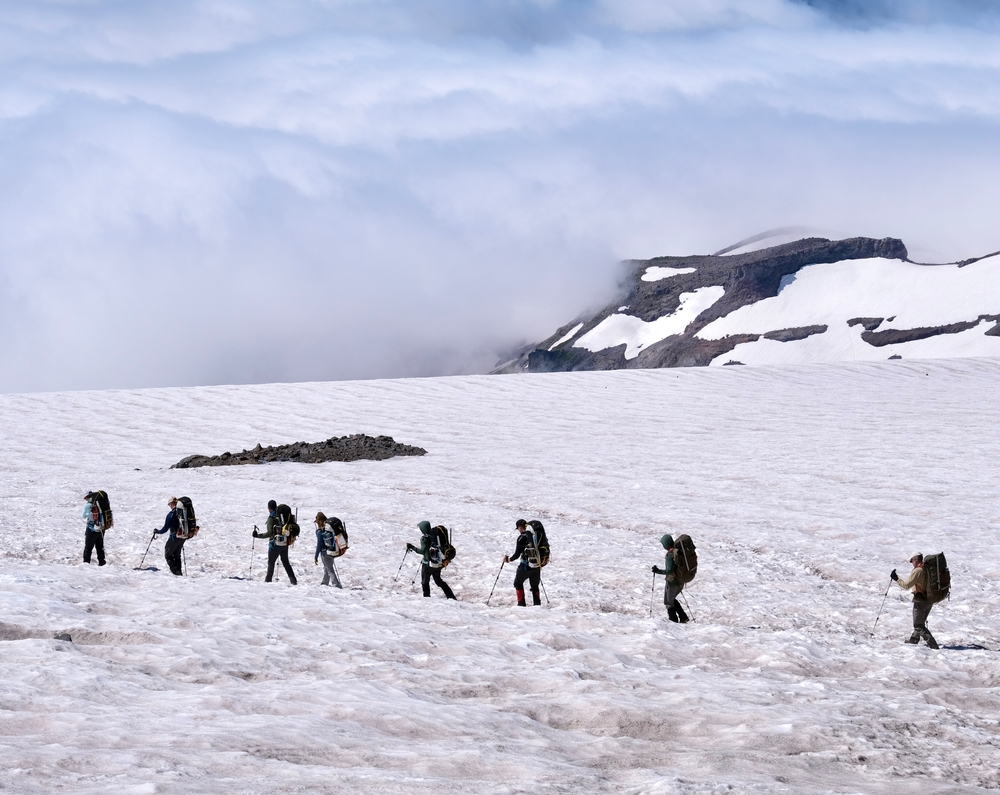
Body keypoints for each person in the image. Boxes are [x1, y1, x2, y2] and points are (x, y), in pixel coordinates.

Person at [891, 553, 939, 649]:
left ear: (916, 560)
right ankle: (914, 639)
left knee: (918, 625)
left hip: (921, 599)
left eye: (911, 561)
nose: (911, 563)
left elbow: (906, 585)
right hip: (930, 599)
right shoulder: (927, 568)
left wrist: (896, 578)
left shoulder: (918, 571)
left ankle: (933, 645)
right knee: (920, 622)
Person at [406, 520, 455, 599]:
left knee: (425, 582)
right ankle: (451, 596)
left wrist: (412, 547)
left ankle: (427, 598)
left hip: (428, 564)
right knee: (438, 581)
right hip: (438, 563)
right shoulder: (434, 535)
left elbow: (422, 551)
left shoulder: (424, 539)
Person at [254, 500, 297, 585]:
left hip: (275, 544)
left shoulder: (271, 518)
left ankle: (268, 580)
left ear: (269, 508)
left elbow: (270, 533)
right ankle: (293, 580)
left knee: (271, 562)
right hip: (285, 542)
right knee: (285, 562)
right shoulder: (282, 516)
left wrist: (258, 536)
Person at [652, 534, 689, 623]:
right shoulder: (678, 552)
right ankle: (683, 617)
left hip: (672, 582)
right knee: (671, 599)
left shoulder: (670, 555)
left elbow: (669, 570)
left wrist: (657, 571)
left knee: (668, 602)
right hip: (680, 581)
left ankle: (673, 621)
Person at [504, 518, 541, 606]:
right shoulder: (535, 535)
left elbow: (517, 554)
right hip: (537, 565)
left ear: (520, 528)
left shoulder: (521, 538)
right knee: (535, 586)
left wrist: (509, 560)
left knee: (518, 583)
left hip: (526, 566)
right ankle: (537, 605)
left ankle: (521, 604)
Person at [313, 512, 348, 588]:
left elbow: (319, 545)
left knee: (329, 569)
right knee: (327, 567)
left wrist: (315, 557)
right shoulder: (329, 529)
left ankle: (336, 585)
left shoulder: (320, 531)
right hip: (332, 551)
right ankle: (324, 583)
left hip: (325, 553)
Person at [154, 497, 185, 575]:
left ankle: (176, 573)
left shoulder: (171, 515)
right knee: (177, 555)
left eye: (169, 504)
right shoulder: (183, 512)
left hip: (174, 538)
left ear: (171, 504)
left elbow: (165, 529)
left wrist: (157, 531)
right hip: (183, 536)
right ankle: (179, 573)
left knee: (168, 555)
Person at [82, 492, 106, 566]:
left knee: (88, 548)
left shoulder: (88, 505)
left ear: (87, 497)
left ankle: (86, 564)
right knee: (100, 547)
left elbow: (84, 516)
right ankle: (102, 563)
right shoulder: (100, 504)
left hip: (91, 529)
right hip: (101, 529)